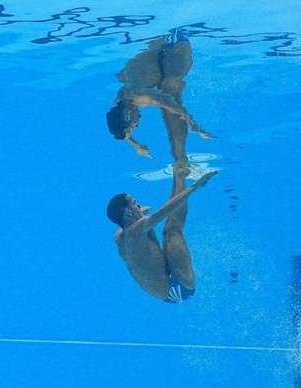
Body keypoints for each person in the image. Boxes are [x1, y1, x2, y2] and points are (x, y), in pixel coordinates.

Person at [107, 169, 218, 303]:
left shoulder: (119, 236)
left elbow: (122, 224)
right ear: (128, 212)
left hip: (164, 292)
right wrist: (195, 186)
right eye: (135, 203)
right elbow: (165, 210)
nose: (138, 205)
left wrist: (139, 211)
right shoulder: (136, 231)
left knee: (168, 230)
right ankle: (180, 173)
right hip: (179, 287)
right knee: (172, 229)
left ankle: (179, 174)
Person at [106, 29, 214, 159]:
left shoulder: (140, 96)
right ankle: (179, 156)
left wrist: (195, 126)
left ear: (128, 115)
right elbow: (124, 132)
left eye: (135, 126)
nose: (138, 124)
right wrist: (135, 145)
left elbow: (176, 109)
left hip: (176, 45)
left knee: (172, 95)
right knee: (166, 96)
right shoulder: (120, 100)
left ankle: (181, 157)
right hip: (162, 46)